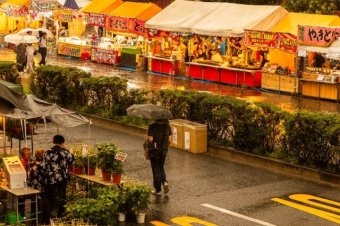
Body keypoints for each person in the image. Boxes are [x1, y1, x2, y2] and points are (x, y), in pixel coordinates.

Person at [42, 135, 74, 222]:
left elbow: (43, 166)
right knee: (62, 197)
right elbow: (71, 161)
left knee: (51, 197)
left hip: (50, 179)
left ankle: (50, 217)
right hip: (62, 179)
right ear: (63, 142)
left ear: (53, 141)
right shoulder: (65, 152)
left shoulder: (47, 152)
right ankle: (60, 217)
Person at [147, 119, 172, 196]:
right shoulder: (167, 127)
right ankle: (164, 182)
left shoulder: (152, 126)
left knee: (156, 169)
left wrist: (147, 137)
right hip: (164, 151)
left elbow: (150, 139)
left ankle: (158, 190)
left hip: (154, 151)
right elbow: (170, 140)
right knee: (161, 167)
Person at [27, 148, 46, 224]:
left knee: (34, 203)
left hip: (33, 186)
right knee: (39, 203)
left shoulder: (32, 162)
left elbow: (30, 175)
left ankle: (34, 220)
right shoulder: (40, 164)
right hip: (39, 186)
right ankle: (39, 219)